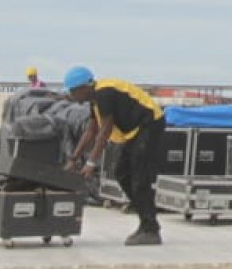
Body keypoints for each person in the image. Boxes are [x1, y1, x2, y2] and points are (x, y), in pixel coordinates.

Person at [63, 66, 166, 246]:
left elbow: (105, 131)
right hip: (135, 132)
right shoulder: (95, 99)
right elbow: (91, 130)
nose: (72, 96)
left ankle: (150, 229)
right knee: (122, 173)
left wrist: (91, 163)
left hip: (149, 124)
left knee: (139, 177)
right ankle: (146, 217)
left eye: (73, 92)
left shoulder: (104, 94)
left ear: (83, 88)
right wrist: (73, 159)